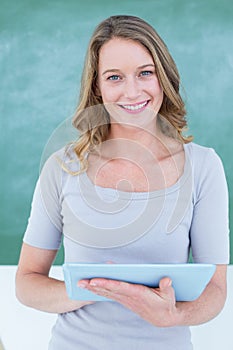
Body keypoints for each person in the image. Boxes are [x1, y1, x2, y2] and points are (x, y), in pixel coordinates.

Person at [15, 15, 229, 349]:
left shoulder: (203, 167)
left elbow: (216, 291)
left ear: (164, 78)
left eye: (146, 72)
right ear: (98, 87)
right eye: (115, 77)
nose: (133, 91)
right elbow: (27, 283)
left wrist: (174, 316)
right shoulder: (62, 168)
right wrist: (94, 288)